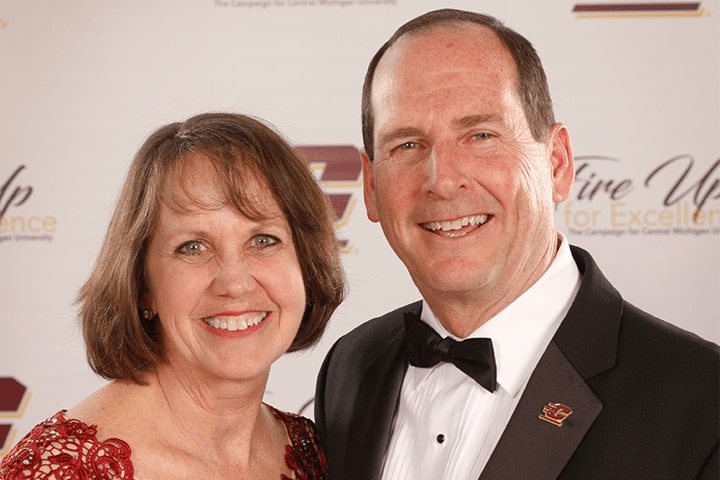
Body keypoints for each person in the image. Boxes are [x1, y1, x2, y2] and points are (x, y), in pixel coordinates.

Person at [314, 8, 719, 480]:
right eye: (407, 145)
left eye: (481, 135)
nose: (442, 180)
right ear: (370, 187)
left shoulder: (703, 401)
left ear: (557, 164)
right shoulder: (350, 368)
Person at [0, 112, 345, 479]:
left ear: (305, 263)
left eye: (263, 240)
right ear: (142, 285)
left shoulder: (313, 451)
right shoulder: (55, 471)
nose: (235, 282)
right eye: (193, 247)